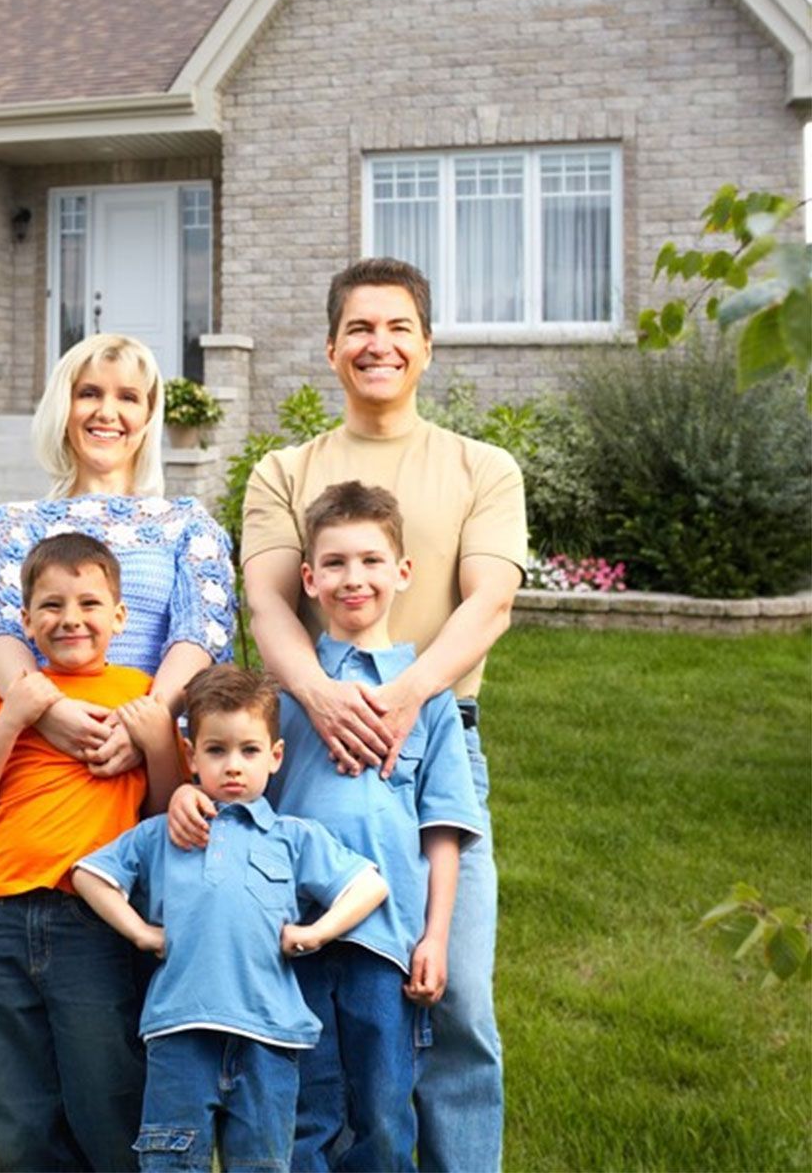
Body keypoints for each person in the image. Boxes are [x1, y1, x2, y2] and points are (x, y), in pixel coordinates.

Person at [171, 258, 525, 1171]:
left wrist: (406, 699)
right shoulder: (284, 471)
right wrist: (323, 699)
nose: (380, 344)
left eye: (399, 327)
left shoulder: (482, 468)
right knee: (308, 989)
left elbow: (487, 603)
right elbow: (268, 605)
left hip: (434, 745)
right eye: (361, 328)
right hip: (305, 756)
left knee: (454, 1002)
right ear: (332, 348)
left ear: (427, 346)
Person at [72, 665, 387, 1173]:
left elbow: (368, 886)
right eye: (216, 751)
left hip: (268, 1037)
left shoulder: (292, 838)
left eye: (249, 750)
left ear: (276, 757)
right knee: (169, 1163)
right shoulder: (164, 834)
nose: (233, 766)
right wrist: (140, 932)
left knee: (261, 1165)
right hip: (180, 1032)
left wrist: (315, 932)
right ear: (191, 756)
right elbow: (90, 875)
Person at [264, 481, 485, 1172]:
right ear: (308, 578)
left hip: (388, 947)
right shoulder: (284, 697)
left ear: (402, 572)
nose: (352, 578)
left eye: (369, 560)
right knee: (303, 1113)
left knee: (385, 1118)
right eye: (333, 563)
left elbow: (441, 831)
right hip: (292, 940)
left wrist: (437, 937)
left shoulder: (429, 699)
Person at [0, 532, 181, 1172]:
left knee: (106, 1091)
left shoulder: (140, 692)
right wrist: (14, 718)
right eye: (50, 606)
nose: (70, 619)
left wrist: (158, 742)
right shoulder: (10, 697)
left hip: (95, 922)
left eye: (88, 603)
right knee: (15, 1104)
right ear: (24, 621)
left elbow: (164, 817)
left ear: (120, 616)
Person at [0, 334, 236, 781]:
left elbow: (200, 634)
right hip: (41, 759)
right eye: (89, 393)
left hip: (156, 763)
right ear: (63, 407)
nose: (106, 412)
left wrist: (142, 727)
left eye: (128, 397)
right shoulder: (14, 525)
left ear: (148, 416)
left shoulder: (187, 524)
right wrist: (50, 712)